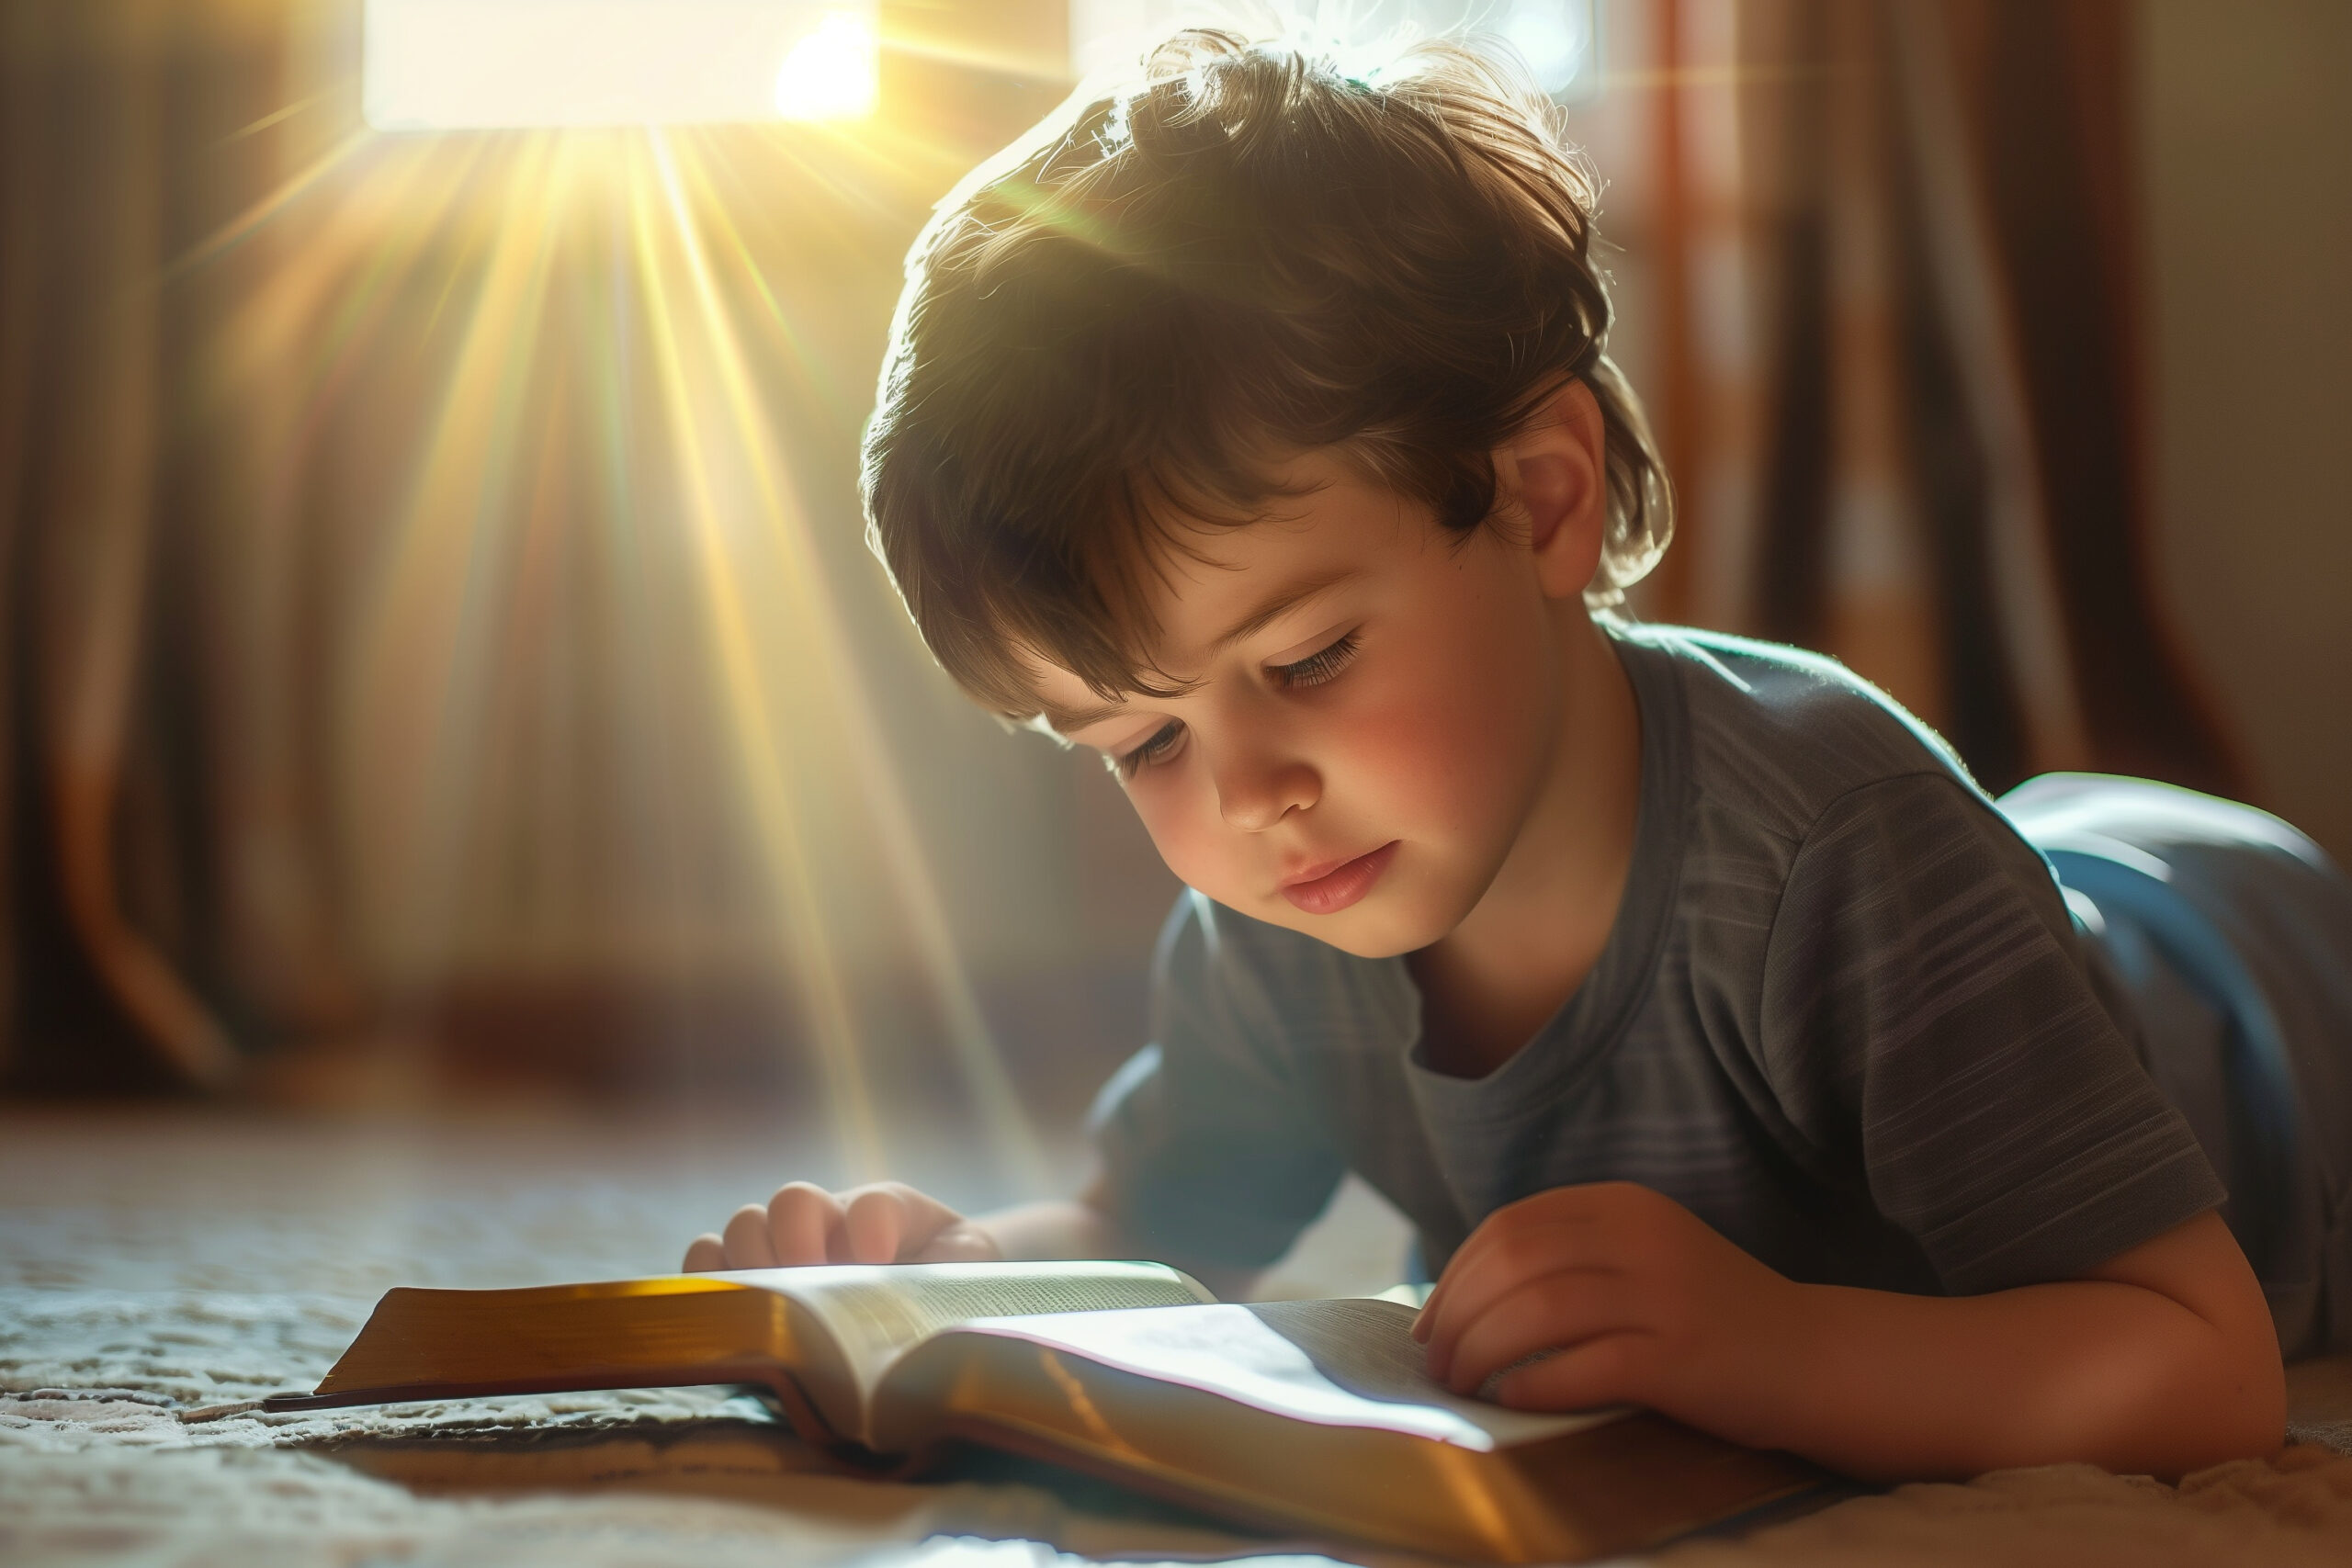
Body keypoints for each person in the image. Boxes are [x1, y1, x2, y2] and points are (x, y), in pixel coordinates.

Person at [685, 30, 2351, 1483]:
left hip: (2265, 996)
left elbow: (2200, 1367)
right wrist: (939, 1271)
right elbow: (1148, 1234)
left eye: (1310, 657)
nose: (1249, 798)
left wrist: (1770, 1347)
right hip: (2047, 870)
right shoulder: (1281, 938)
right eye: (1142, 742)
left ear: (1544, 497)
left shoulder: (1844, 859)